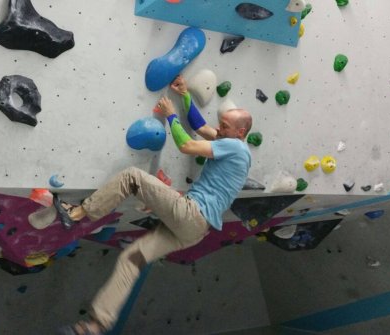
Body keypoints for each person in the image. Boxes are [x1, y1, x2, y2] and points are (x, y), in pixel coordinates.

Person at [56, 76, 252, 335]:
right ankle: (93, 327)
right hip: (194, 231)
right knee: (132, 259)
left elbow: (187, 145)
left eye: (225, 126)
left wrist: (171, 115)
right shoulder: (229, 144)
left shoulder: (237, 148)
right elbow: (201, 126)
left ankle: (77, 212)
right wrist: (184, 96)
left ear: (240, 133)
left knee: (132, 177)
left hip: (192, 215)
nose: (219, 127)